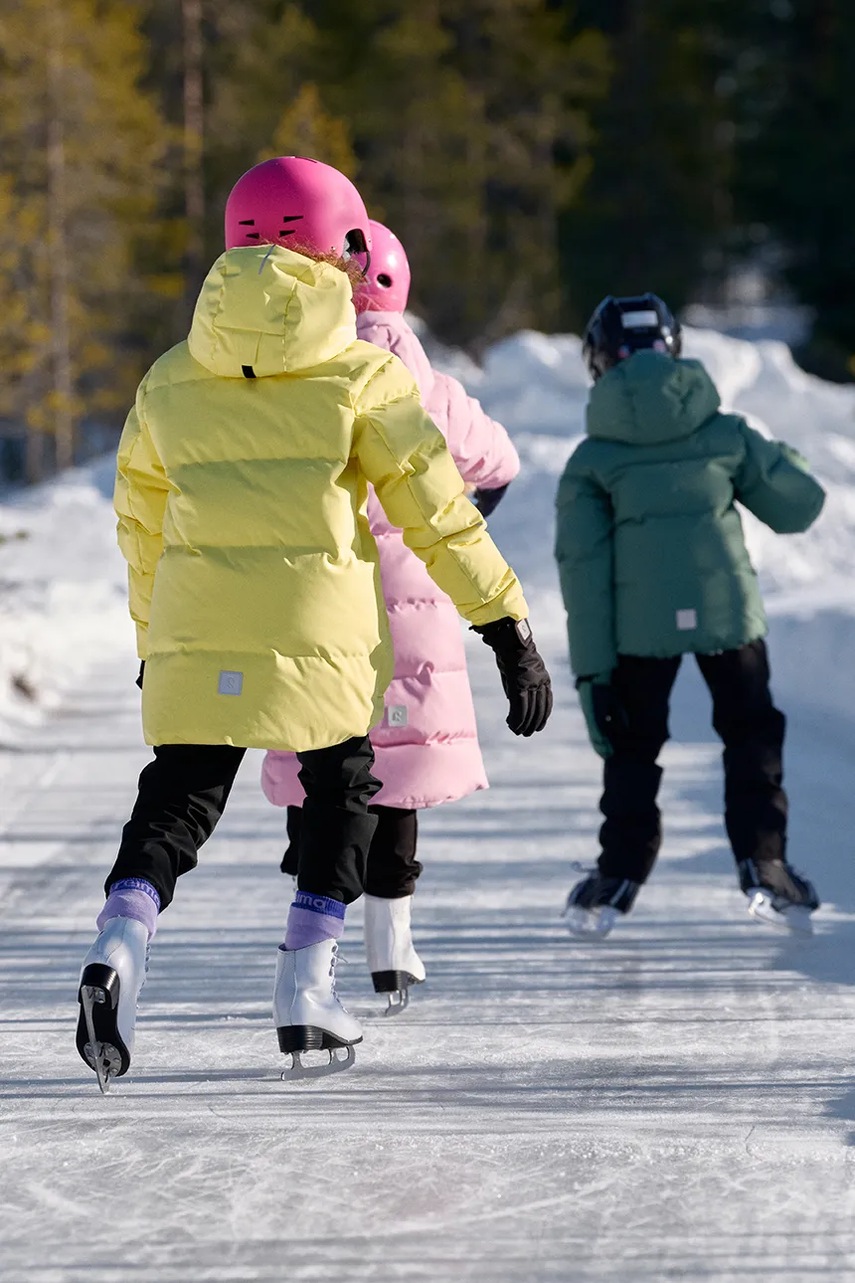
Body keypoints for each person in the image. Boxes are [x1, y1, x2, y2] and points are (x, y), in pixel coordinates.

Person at [76, 157, 553, 1091]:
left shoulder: (171, 378)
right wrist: (507, 629)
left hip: (197, 625)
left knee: (178, 798)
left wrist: (152, 637)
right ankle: (305, 987)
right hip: (320, 637)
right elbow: (438, 514)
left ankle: (121, 942)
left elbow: (140, 524)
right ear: (337, 248)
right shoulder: (363, 374)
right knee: (343, 787)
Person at [261, 220, 522, 1013]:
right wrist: (470, 513)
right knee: (398, 776)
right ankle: (391, 946)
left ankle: (314, 946)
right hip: (413, 621)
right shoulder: (434, 390)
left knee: (325, 775)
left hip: (317, 611)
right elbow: (500, 462)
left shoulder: (298, 376)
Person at [554, 293, 825, 940]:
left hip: (636, 630)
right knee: (749, 733)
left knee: (633, 747)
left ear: (598, 360)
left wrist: (593, 677)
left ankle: (616, 876)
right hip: (726, 614)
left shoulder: (591, 461)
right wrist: (783, 457)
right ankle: (764, 863)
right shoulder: (724, 432)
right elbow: (800, 505)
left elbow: (584, 578)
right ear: (671, 348)